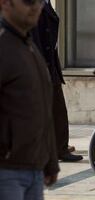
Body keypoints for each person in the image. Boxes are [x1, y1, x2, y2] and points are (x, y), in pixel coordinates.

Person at [0, 0, 60, 199]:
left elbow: (44, 110)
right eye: (27, 1)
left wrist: (51, 160)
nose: (35, 7)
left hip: (34, 168)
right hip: (7, 171)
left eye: (38, 2)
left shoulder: (31, 47)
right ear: (5, 3)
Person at [31, 0, 82, 162]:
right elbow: (35, 38)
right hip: (41, 66)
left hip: (49, 65)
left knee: (57, 110)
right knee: (51, 110)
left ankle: (59, 147)